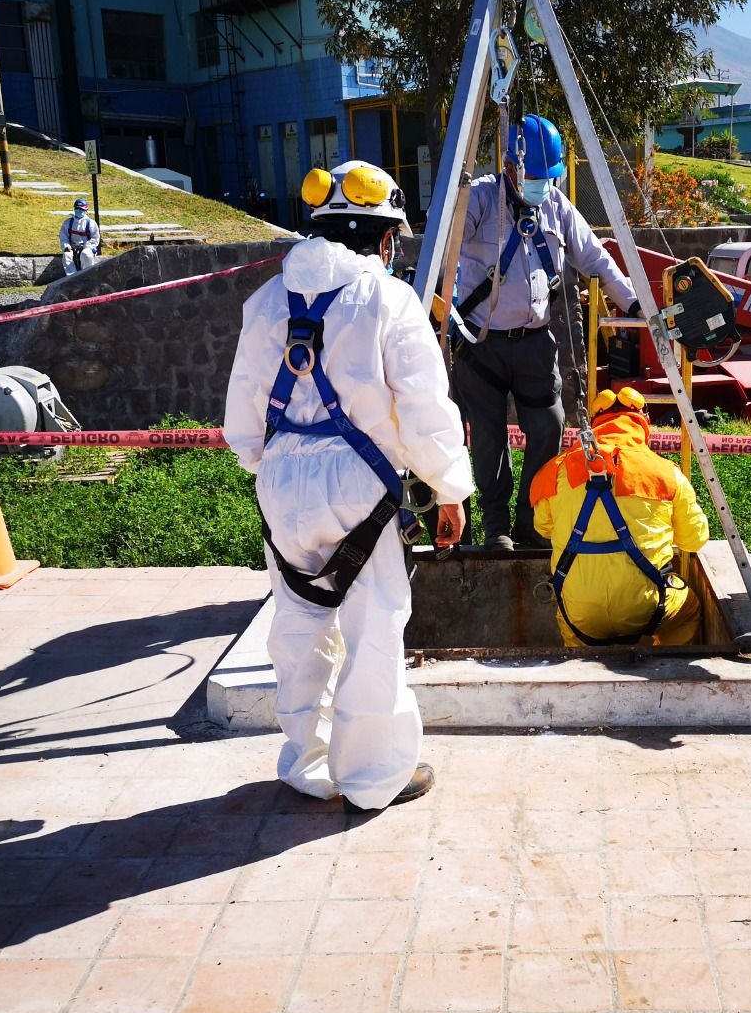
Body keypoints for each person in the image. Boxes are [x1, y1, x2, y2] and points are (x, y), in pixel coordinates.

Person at [224, 159, 472, 809]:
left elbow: (243, 412)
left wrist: (273, 470)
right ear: (386, 238)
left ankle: (306, 763)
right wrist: (449, 488)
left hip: (283, 483)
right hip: (362, 488)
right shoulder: (390, 301)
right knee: (374, 629)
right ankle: (371, 778)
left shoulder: (267, 300)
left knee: (299, 628)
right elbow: (423, 406)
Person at [452, 113, 640, 551]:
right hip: (482, 344)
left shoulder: (555, 204)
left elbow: (595, 258)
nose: (542, 183)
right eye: (535, 175)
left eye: (548, 175)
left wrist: (632, 303)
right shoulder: (481, 200)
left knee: (549, 426)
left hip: (535, 343)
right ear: (512, 167)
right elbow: (447, 241)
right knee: (488, 436)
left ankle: (531, 523)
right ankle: (496, 525)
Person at [530, 386, 709, 648]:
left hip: (581, 613)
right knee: (687, 611)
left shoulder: (554, 471)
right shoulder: (667, 474)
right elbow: (694, 541)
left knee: (572, 630)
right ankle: (669, 672)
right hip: (649, 608)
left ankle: (581, 676)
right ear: (643, 425)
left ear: (594, 425)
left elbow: (543, 528)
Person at [59, 198, 100, 276]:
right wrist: (66, 246)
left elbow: (95, 238)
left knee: (86, 254)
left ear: (86, 211)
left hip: (86, 247)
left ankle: (87, 275)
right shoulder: (68, 223)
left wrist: (87, 246)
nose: (79, 211)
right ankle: (72, 277)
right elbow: (63, 236)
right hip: (72, 247)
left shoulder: (91, 223)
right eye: (77, 209)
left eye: (81, 209)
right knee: (67, 255)